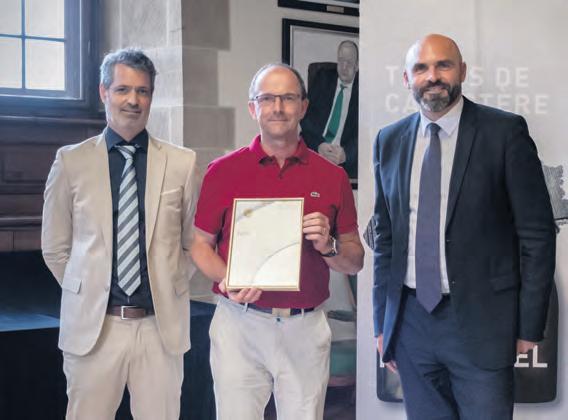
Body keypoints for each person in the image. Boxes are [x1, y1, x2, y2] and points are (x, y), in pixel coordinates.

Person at [372, 34, 556, 419]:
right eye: (421, 68)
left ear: (463, 71)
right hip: (411, 323)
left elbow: (537, 235)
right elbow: (386, 239)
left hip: (482, 322)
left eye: (444, 65)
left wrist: (529, 326)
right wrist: (382, 323)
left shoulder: (504, 133)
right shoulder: (388, 141)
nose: (432, 76)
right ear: (406, 79)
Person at [190, 63, 364, 420]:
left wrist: (328, 246)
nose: (278, 108)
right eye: (267, 99)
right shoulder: (222, 171)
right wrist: (228, 278)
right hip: (239, 324)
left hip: (304, 327)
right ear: (253, 108)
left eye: (288, 98)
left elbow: (355, 260)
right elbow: (199, 244)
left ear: (303, 107)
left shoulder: (332, 177)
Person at [41, 48, 198, 420]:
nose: (133, 100)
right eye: (123, 89)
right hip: (95, 329)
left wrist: (171, 283)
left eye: (142, 91)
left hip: (160, 328)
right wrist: (87, 290)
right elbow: (55, 248)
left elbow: (192, 243)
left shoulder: (183, 162)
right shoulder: (71, 161)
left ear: (151, 97)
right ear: (104, 92)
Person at [301, 40, 359, 180]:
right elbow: (305, 117)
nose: (344, 67)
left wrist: (346, 154)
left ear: (357, 66)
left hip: (343, 159)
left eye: (349, 62)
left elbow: (366, 132)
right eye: (341, 61)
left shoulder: (364, 90)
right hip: (316, 150)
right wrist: (319, 145)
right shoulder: (323, 78)